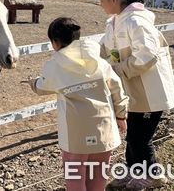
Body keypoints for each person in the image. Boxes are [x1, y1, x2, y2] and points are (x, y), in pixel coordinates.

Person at [24, 17, 128, 191]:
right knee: (98, 176)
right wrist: (121, 115)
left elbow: (42, 87)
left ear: (55, 42)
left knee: (75, 177)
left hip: (75, 134)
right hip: (104, 129)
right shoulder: (99, 61)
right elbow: (117, 88)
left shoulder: (55, 65)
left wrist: (32, 82)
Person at [98, 0, 174, 190]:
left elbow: (147, 55)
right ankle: (135, 172)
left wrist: (118, 69)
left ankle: (153, 175)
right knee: (133, 135)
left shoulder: (137, 22)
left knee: (140, 138)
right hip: (134, 92)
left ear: (113, 0)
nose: (100, 4)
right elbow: (106, 49)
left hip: (150, 93)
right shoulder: (114, 23)